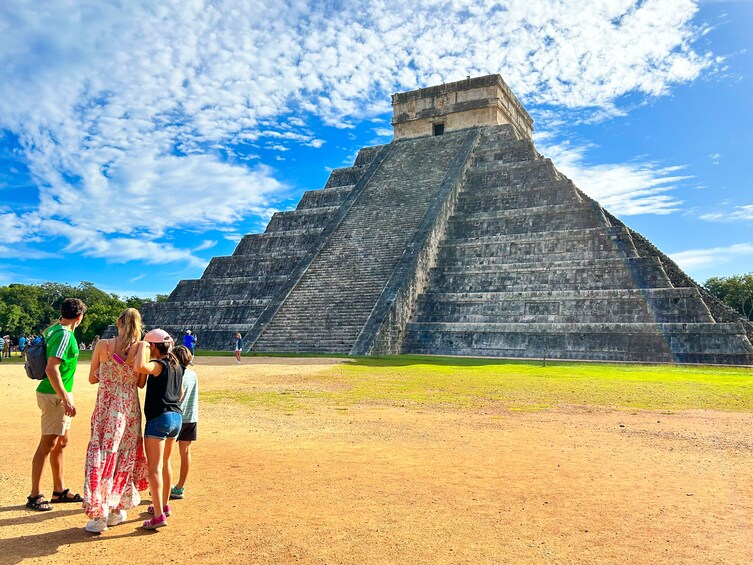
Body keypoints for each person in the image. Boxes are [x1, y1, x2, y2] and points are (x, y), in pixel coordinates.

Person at [82, 308, 149, 533]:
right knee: (123, 456)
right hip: (128, 408)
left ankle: (99, 515)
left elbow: (92, 378)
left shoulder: (103, 345)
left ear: (118, 322)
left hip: (105, 407)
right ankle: (115, 509)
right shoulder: (141, 347)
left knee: (101, 455)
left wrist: (109, 373)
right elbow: (140, 383)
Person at [26, 298, 87, 511]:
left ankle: (59, 490)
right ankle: (34, 494)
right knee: (48, 444)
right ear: (79, 317)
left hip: (55, 393)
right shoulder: (65, 335)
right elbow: (52, 368)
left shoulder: (53, 329)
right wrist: (65, 396)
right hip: (54, 395)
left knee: (61, 442)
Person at [134, 328, 183, 530]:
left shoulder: (159, 365)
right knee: (166, 463)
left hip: (159, 418)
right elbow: (179, 393)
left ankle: (158, 515)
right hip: (176, 417)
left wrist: (142, 347)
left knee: (154, 468)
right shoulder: (177, 365)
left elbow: (140, 366)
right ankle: (163, 504)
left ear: (153, 346)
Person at [169, 345, 198, 501]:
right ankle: (180, 487)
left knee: (164, 456)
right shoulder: (193, 374)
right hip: (191, 417)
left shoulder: (175, 374)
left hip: (176, 416)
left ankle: (163, 485)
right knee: (185, 453)